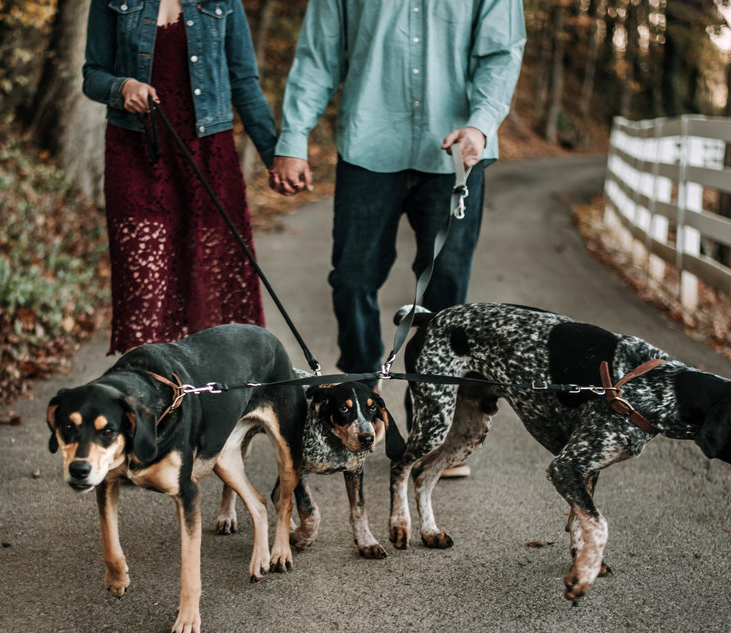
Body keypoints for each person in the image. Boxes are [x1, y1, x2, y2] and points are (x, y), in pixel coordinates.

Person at [269, 0, 526, 380]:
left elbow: (501, 54)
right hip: (367, 147)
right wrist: (293, 138)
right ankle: (360, 393)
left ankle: (431, 404)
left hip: (454, 155)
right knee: (352, 281)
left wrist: (481, 124)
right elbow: (318, 55)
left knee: (447, 292)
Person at [83, 0, 277, 354]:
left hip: (208, 156)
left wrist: (275, 156)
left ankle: (212, 398)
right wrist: (123, 87)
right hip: (137, 155)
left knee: (210, 293)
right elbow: (92, 74)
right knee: (144, 289)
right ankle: (151, 394)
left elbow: (244, 82)